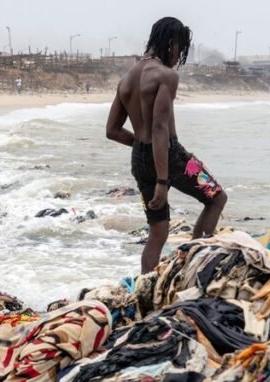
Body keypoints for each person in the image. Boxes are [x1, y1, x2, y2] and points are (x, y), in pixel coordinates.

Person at [106, 17, 227, 274]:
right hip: (171, 156)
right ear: (170, 42)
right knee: (217, 198)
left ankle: (146, 289)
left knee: (157, 232)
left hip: (140, 159)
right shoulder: (165, 76)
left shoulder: (126, 79)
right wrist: (162, 180)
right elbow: (160, 128)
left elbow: (112, 131)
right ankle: (194, 267)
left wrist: (143, 150)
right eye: (180, 49)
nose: (179, 56)